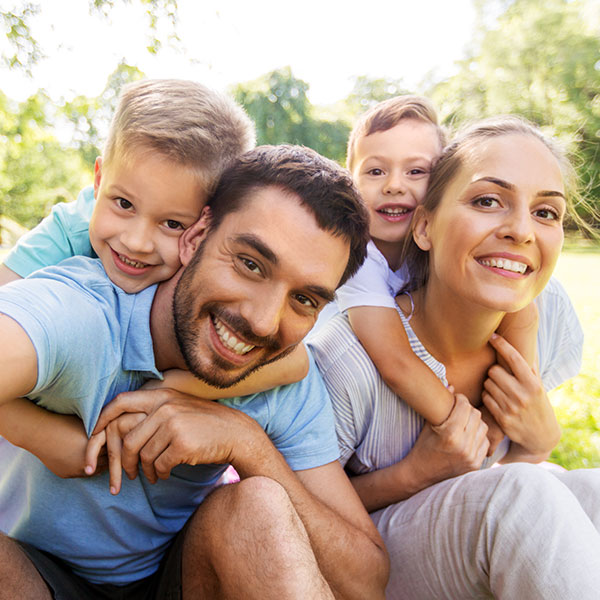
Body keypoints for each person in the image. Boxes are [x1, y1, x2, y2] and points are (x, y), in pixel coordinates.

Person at [0, 145, 388, 599]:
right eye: (250, 264)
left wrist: (246, 444)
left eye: (304, 300)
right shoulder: (84, 314)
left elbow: (366, 582)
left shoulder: (283, 380)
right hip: (30, 573)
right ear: (196, 235)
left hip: (176, 579)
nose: (263, 322)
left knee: (259, 506)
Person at [309, 116, 600, 599]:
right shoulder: (348, 355)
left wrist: (536, 444)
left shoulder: (545, 316)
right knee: (525, 497)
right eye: (487, 201)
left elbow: (502, 468)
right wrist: (416, 473)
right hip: (367, 555)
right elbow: (295, 508)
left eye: (547, 212)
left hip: (476, 536)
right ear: (423, 227)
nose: (522, 231)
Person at [314, 96, 538, 439]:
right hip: (334, 380)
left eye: (416, 171)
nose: (394, 184)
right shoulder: (358, 254)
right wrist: (463, 426)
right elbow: (395, 361)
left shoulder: (444, 243)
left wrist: (515, 408)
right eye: (375, 171)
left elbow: (521, 310)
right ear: (350, 184)